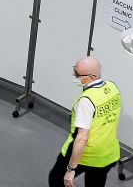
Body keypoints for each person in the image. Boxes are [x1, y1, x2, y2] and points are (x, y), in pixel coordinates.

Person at [48, 56, 121, 187]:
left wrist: (70, 170)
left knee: (56, 179)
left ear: (92, 76)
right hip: (107, 153)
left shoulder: (87, 100)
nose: (74, 75)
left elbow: (82, 138)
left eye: (77, 74)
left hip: (86, 154)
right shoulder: (112, 88)